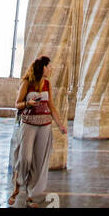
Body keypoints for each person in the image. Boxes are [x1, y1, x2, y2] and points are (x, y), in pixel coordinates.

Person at [10, 55, 66, 207]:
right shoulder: (27, 83)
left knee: (38, 161)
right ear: (43, 67)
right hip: (29, 124)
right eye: (49, 66)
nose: (51, 69)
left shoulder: (47, 84)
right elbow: (17, 104)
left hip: (45, 124)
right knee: (25, 158)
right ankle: (17, 183)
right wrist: (29, 103)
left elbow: (51, 105)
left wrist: (60, 124)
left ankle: (31, 194)